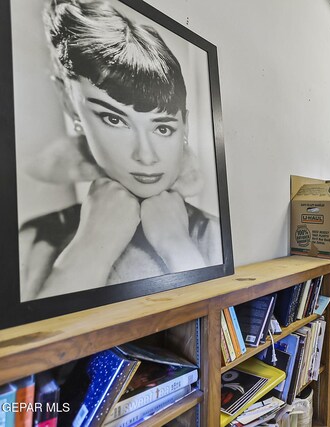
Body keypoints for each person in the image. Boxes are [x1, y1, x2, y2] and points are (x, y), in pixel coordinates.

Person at [19, 0, 222, 301]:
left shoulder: (213, 235)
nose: (146, 156)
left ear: (185, 126)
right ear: (68, 102)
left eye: (162, 127)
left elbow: (214, 315)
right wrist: (89, 250)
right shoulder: (35, 241)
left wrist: (176, 245)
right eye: (114, 119)